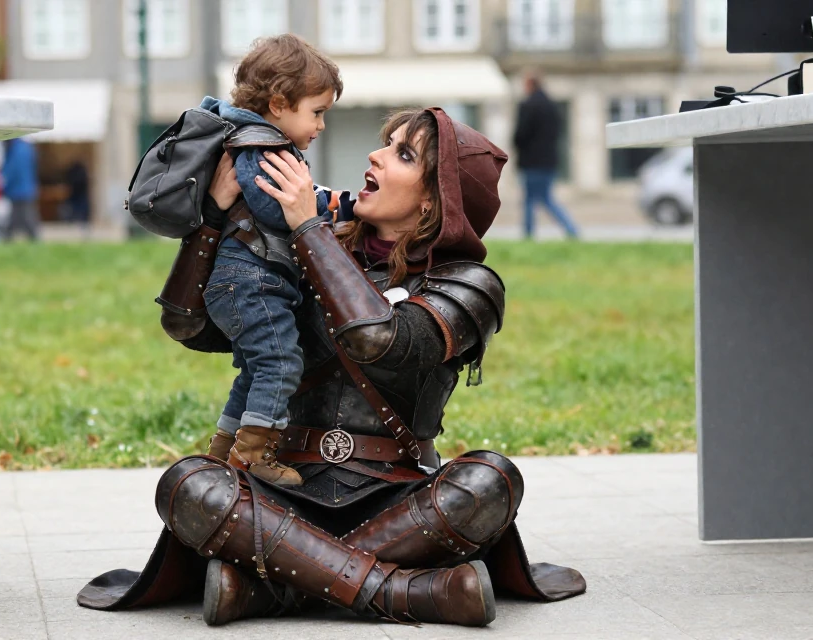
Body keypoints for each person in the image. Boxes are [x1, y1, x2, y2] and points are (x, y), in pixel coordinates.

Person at [77, 108, 586, 627]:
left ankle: (274, 588)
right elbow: (189, 326)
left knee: (490, 480)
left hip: (399, 499)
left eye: (402, 154)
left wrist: (306, 225)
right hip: (284, 487)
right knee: (188, 484)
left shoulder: (469, 284)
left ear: (434, 200)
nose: (375, 155)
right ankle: (410, 591)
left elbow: (376, 341)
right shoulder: (303, 248)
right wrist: (211, 218)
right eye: (386, 144)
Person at [197, 34, 342, 486]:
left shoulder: (258, 140)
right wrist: (322, 206)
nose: (320, 125)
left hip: (246, 279)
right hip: (249, 279)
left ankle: (222, 455)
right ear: (279, 103)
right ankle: (252, 459)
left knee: (257, 369)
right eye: (316, 112)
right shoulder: (264, 145)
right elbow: (271, 206)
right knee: (281, 363)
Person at [513, 71, 578, 240]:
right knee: (545, 198)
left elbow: (520, 135)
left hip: (531, 162)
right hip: (549, 160)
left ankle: (528, 235)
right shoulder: (552, 106)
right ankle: (571, 230)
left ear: (529, 85)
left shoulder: (527, 105)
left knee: (531, 200)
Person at [0, 137, 41, 242]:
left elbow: (12, 169)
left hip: (19, 190)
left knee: (23, 217)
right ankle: (32, 239)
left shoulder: (17, 149)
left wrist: (2, 180)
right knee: (22, 217)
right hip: (26, 189)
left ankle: (33, 239)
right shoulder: (25, 147)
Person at [64, 160, 91, 235]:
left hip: (77, 194)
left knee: (77, 209)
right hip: (79, 194)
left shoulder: (75, 173)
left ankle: (78, 223)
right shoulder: (82, 173)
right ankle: (82, 224)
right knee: (81, 210)